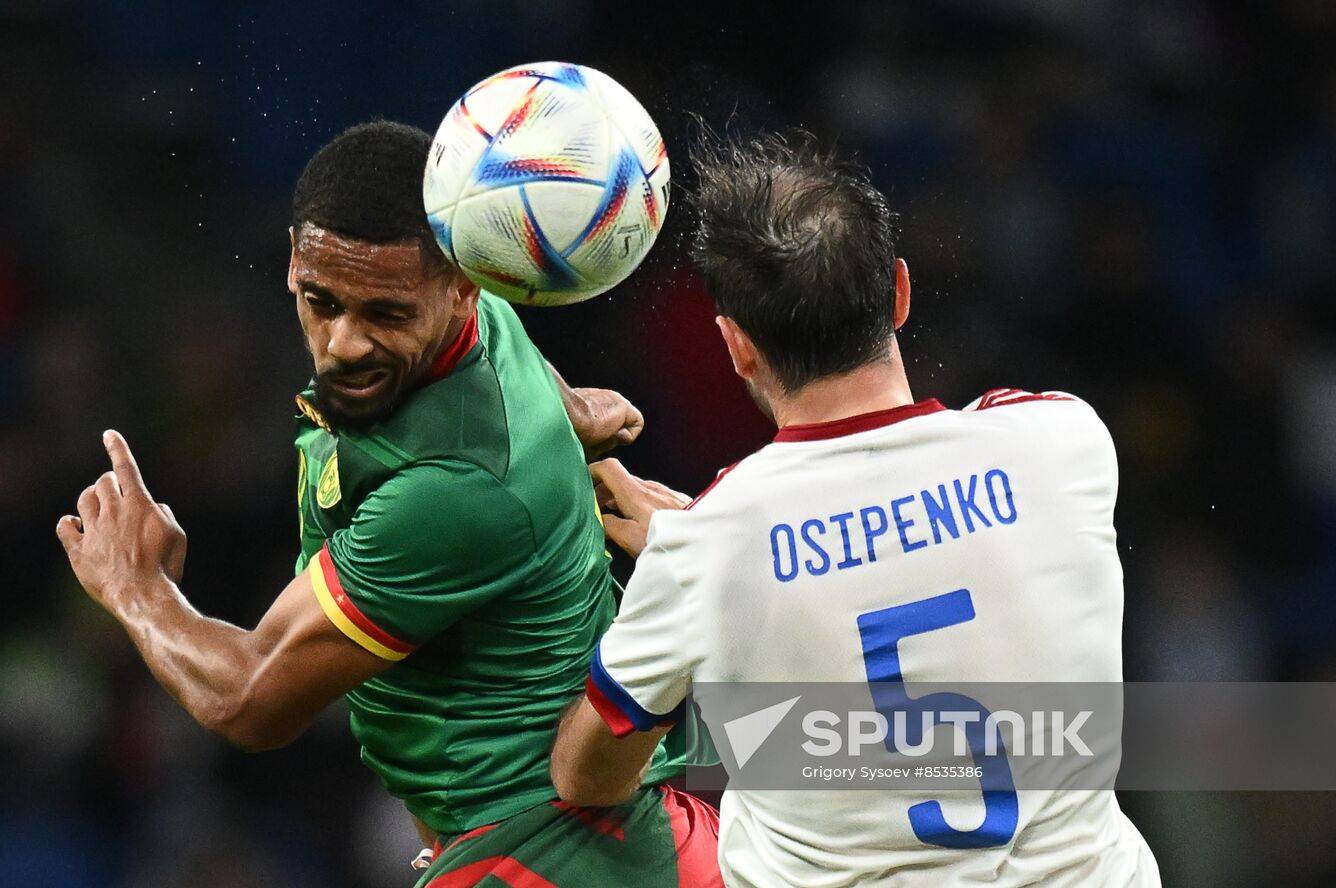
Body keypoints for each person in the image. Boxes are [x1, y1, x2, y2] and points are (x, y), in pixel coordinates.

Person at [57, 120, 720, 887]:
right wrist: (573, 415)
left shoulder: (452, 492)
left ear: (463, 286)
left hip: (549, 857)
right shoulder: (483, 322)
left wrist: (137, 589)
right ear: (292, 262)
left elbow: (246, 700)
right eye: (320, 300)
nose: (343, 343)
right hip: (606, 839)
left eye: (385, 315)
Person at [550, 131, 1161, 886]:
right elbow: (913, 538)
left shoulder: (712, 547)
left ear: (736, 346)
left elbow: (586, 778)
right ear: (899, 292)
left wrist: (692, 579)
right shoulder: (1064, 439)